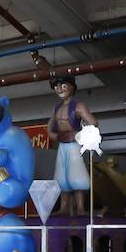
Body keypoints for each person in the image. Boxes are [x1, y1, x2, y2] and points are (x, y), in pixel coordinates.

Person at [46, 74, 98, 217]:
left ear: (72, 87)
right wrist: (55, 136)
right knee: (61, 175)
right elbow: (49, 128)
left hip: (75, 145)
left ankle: (80, 207)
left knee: (77, 174)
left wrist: (79, 135)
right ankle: (63, 207)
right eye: (56, 87)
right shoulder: (56, 108)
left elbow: (93, 123)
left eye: (63, 86)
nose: (59, 89)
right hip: (62, 144)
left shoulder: (79, 106)